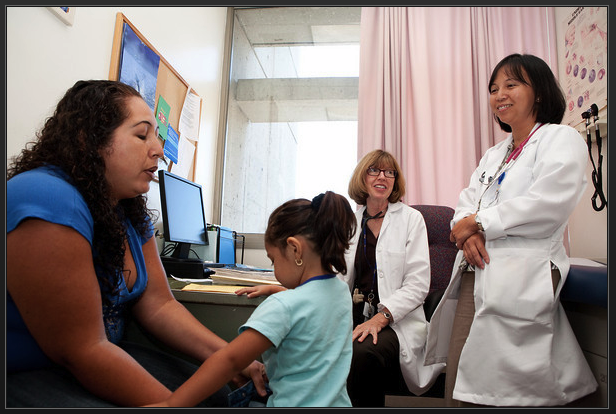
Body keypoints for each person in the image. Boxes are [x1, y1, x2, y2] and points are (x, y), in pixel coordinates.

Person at [6, 80, 266, 407]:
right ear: (89, 140)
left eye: (156, 135)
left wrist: (229, 358)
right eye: (142, 135)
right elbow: (80, 350)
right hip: (34, 373)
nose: (157, 148)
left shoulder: (126, 207)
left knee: (225, 394)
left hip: (101, 354)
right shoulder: (46, 196)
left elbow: (159, 305)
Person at [425, 53, 599, 407]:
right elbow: (465, 204)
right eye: (493, 88)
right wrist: (468, 229)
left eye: (511, 84)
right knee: (462, 380)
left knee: (515, 391)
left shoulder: (560, 139)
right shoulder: (494, 154)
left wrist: (481, 222)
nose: (499, 94)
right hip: (478, 271)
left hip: (523, 275)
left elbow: (548, 203)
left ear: (539, 92)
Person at [146, 191, 357, 407]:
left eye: (273, 259)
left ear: (295, 249)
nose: (274, 269)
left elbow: (230, 361)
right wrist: (277, 291)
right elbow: (313, 306)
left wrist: (171, 404)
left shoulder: (283, 307)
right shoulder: (340, 292)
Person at [340, 149, 445, 407]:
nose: (382, 177)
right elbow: (337, 278)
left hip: (396, 321)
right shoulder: (350, 224)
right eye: (374, 170)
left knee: (362, 352)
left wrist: (380, 317)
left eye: (390, 172)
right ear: (362, 178)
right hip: (352, 315)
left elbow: (418, 284)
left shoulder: (411, 220)